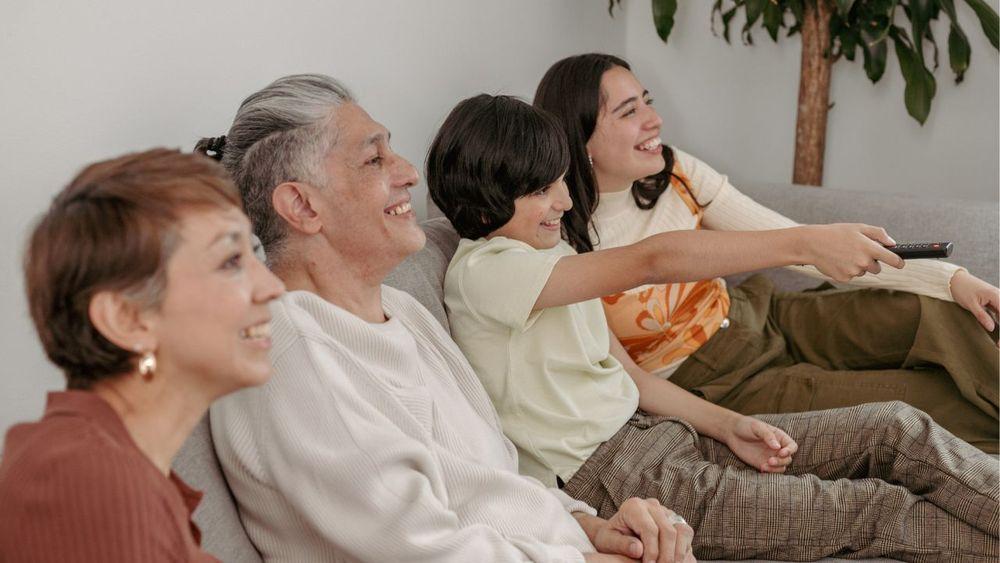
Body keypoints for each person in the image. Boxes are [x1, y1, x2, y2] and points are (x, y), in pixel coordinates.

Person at [427, 93, 998, 562]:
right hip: (611, 481)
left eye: (559, 180)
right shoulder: (484, 273)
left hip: (660, 435)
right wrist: (805, 242)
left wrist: (728, 426)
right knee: (876, 509)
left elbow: (633, 381)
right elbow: (653, 259)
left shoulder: (554, 262)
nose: (563, 199)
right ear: (481, 205)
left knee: (895, 428)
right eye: (539, 189)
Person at [204, 73, 699, 563]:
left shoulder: (402, 313)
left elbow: (493, 478)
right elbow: (425, 549)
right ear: (302, 205)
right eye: (374, 159)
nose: (408, 173)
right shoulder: (291, 357)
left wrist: (592, 527)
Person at [533, 53, 999, 453]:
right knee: (924, 403)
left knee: (938, 311)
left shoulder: (674, 172)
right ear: (581, 137)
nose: (653, 119)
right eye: (629, 111)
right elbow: (632, 380)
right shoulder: (562, 244)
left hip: (761, 314)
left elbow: (795, 241)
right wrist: (723, 425)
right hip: (722, 380)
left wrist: (951, 279)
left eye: (648, 101)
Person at [0, 149, 285, 562]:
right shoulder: (95, 484)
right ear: (128, 319)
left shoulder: (119, 471)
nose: (271, 286)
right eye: (230, 261)